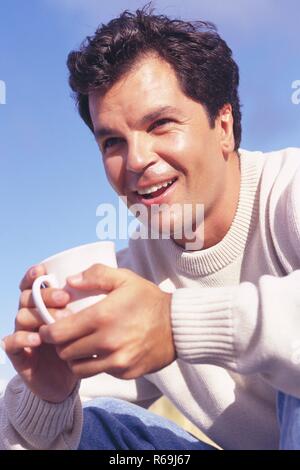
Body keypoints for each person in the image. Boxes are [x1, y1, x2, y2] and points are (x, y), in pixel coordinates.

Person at [1, 6, 300, 450]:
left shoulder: (289, 190)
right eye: (113, 142)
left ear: (224, 126)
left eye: (160, 124)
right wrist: (49, 395)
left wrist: (174, 325)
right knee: (94, 423)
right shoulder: (132, 283)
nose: (136, 160)